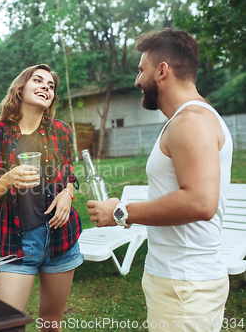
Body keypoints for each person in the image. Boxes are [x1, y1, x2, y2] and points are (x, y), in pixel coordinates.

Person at [87, 28, 233, 332]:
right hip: (180, 281)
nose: (137, 80)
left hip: (185, 285)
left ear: (162, 70)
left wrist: (120, 212)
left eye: (142, 70)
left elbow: (199, 202)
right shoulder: (187, 118)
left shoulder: (191, 120)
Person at [0, 64, 83, 332]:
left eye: (51, 86)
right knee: (5, 326)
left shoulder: (61, 130)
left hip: (61, 239)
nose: (46, 87)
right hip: (18, 242)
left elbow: (70, 175)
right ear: (20, 88)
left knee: (50, 325)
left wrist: (68, 195)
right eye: (38, 80)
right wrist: (8, 178)